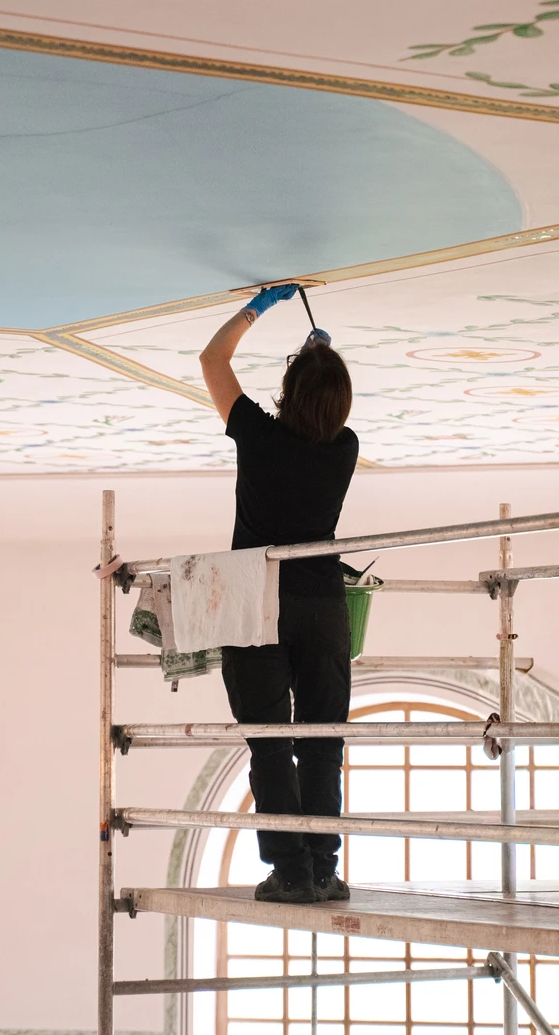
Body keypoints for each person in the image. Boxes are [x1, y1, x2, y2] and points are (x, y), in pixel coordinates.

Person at [199, 283, 359, 904]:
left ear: (288, 392)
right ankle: (321, 868)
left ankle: (289, 871)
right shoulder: (344, 450)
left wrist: (261, 308)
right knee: (322, 741)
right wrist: (316, 365)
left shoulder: (257, 436)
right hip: (320, 604)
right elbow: (317, 419)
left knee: (270, 740)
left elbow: (213, 361)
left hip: (256, 602)